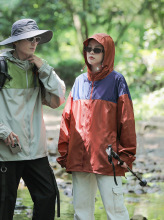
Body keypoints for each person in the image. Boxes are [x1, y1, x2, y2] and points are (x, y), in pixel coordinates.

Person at [0, 18, 65, 220]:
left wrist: (45, 68)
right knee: (3, 207)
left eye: (36, 38)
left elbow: (58, 99)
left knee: (48, 196)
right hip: (6, 151)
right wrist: (3, 132)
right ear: (15, 41)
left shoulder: (39, 70)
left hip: (35, 151)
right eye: (28, 38)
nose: (34, 42)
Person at [57, 33, 136, 220]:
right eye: (88, 49)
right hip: (79, 157)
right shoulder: (78, 82)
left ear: (106, 53)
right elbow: (67, 119)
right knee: (82, 213)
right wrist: (65, 153)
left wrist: (126, 154)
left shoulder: (117, 81)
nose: (91, 53)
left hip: (108, 159)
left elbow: (127, 120)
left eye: (97, 50)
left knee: (116, 212)